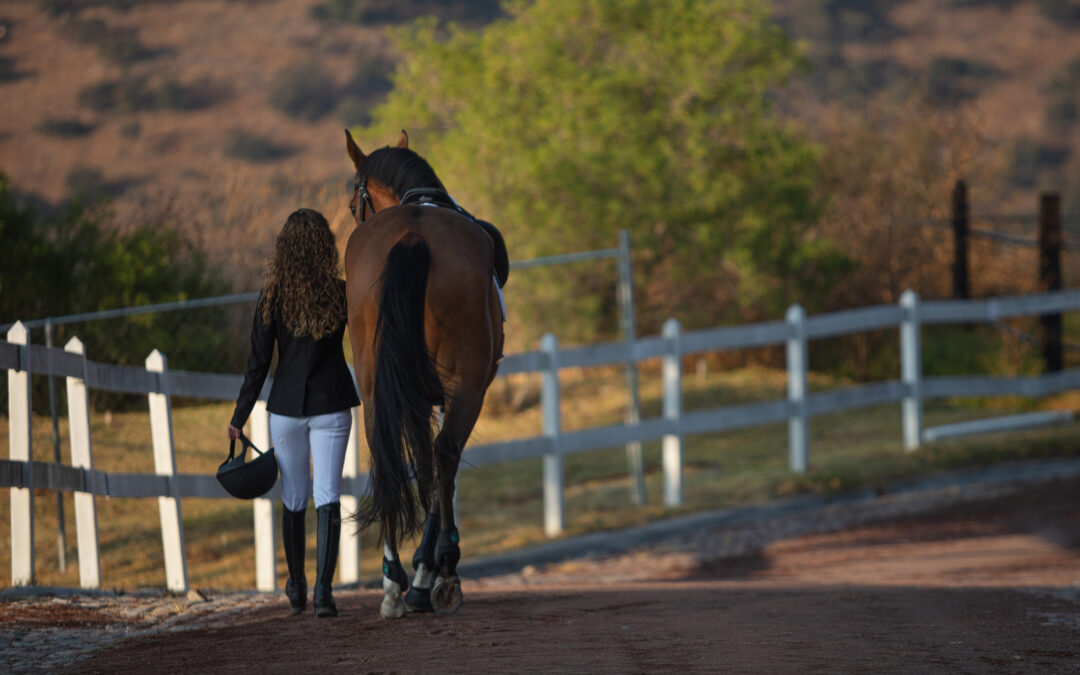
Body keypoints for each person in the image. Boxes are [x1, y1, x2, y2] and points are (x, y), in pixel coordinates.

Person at [227, 208, 359, 618]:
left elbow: (258, 364)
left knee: (294, 496)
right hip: (332, 405)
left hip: (285, 410)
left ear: (285, 248)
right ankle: (323, 591)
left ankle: (297, 585)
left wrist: (239, 416)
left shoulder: (272, 297)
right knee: (328, 496)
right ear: (325, 248)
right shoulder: (342, 292)